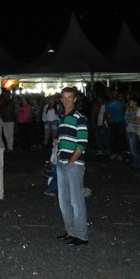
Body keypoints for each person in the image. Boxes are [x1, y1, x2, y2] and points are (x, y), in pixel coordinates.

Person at [54, 86, 89, 246]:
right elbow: (61, 139)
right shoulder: (62, 117)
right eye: (64, 97)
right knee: (64, 201)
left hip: (73, 164)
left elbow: (82, 143)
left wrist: (71, 160)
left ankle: (81, 235)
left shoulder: (79, 117)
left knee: (76, 201)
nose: (67, 100)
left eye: (70, 97)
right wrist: (59, 157)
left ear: (75, 99)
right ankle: (71, 231)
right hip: (62, 163)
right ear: (61, 100)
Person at [124, 95, 140, 172]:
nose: (129, 103)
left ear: (135, 103)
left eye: (131, 102)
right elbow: (126, 119)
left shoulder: (138, 110)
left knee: (133, 148)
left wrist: (130, 114)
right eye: (129, 102)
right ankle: (136, 162)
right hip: (129, 130)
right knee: (132, 148)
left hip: (135, 131)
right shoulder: (129, 110)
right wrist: (127, 111)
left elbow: (134, 120)